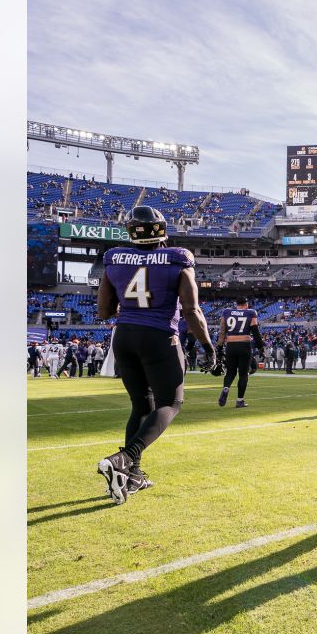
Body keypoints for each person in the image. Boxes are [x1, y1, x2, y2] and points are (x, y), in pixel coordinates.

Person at [94, 205, 218, 505]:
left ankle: (133, 476)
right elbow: (191, 310)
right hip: (160, 336)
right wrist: (207, 345)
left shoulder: (114, 259)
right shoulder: (178, 258)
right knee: (170, 403)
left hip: (124, 336)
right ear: (162, 230)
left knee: (140, 405)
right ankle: (125, 459)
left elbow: (104, 311)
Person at [217, 296, 264, 408]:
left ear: (236, 304)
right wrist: (261, 347)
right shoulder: (251, 312)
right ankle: (240, 401)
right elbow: (256, 332)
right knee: (243, 374)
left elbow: (222, 332)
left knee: (230, 373)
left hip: (231, 346)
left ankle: (226, 388)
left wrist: (219, 348)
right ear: (246, 304)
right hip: (244, 346)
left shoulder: (227, 312)